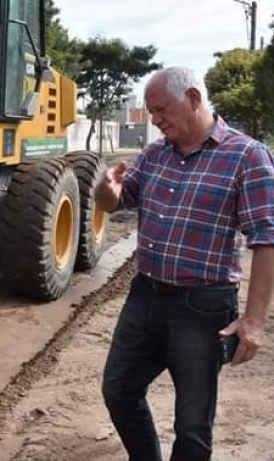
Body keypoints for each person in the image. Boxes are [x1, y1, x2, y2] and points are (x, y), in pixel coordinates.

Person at [94, 66, 274, 461]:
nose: (154, 121)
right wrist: (104, 193)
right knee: (119, 391)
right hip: (145, 298)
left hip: (202, 308)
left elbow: (266, 239)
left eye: (160, 110)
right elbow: (118, 201)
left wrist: (254, 321)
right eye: (151, 112)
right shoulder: (155, 154)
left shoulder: (247, 156)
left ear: (193, 99)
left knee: (192, 426)